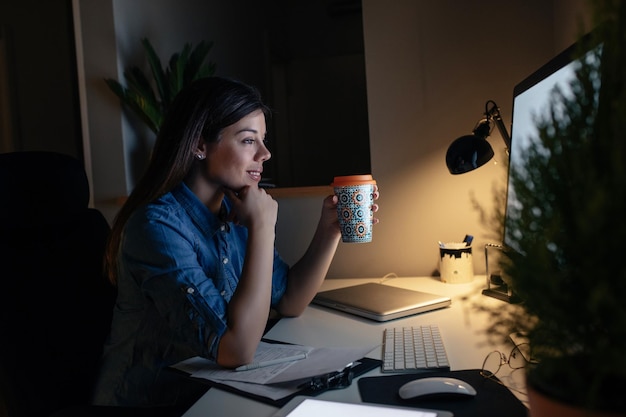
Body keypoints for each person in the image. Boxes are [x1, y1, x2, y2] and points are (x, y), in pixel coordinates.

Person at [91, 76, 379, 408]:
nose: (265, 153)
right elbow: (236, 349)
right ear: (199, 145)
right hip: (153, 404)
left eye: (264, 140)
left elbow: (290, 300)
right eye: (248, 141)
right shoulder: (156, 228)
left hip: (212, 391)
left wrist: (331, 230)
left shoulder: (233, 209)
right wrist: (262, 228)